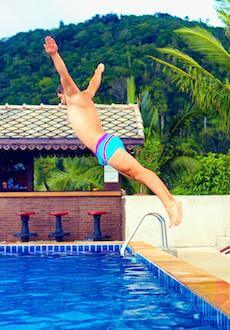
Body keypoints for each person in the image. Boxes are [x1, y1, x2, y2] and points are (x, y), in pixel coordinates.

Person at [43, 36, 182, 226]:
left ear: (63, 93)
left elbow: (64, 75)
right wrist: (98, 70)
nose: (61, 102)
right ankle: (170, 203)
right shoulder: (86, 96)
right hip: (104, 148)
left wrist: (54, 55)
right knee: (136, 175)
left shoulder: (74, 97)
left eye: (60, 98)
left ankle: (171, 204)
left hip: (105, 144)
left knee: (140, 173)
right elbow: (94, 84)